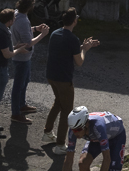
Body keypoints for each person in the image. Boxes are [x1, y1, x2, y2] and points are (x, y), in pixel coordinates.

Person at [41, 9, 99, 154]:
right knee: (67, 111)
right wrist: (85, 50)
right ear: (74, 21)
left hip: (51, 76)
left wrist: (83, 46)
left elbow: (66, 49)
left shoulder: (56, 33)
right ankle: (60, 145)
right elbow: (79, 62)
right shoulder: (73, 39)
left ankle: (47, 132)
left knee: (58, 103)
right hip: (63, 79)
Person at [0, 7, 26, 137]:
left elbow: (2, 48)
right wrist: (19, 50)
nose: (14, 20)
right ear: (9, 21)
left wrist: (15, 47)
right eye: (14, 18)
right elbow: (7, 54)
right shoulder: (2, 34)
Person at [10, 0, 50, 126]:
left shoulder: (18, 15)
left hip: (24, 57)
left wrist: (35, 28)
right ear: (30, 7)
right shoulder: (22, 20)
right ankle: (16, 113)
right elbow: (28, 43)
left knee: (25, 81)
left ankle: (21, 105)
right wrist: (42, 34)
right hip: (21, 58)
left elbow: (25, 31)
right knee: (18, 85)